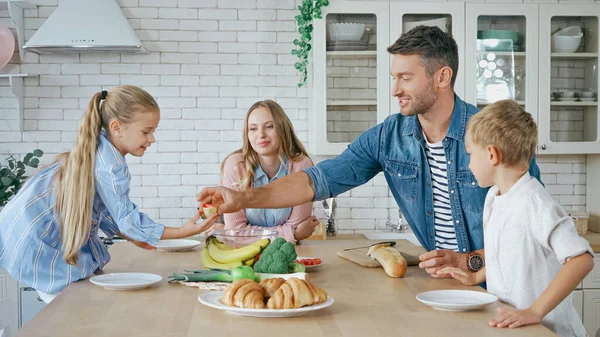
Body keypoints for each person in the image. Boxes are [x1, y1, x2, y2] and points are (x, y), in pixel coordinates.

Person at [197, 26, 541, 277]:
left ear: (442, 76)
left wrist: (470, 262)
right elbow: (314, 182)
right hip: (446, 287)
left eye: (405, 78)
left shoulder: (494, 133)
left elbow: (528, 228)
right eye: (394, 78)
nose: (395, 90)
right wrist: (242, 199)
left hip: (511, 288)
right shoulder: (388, 137)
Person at [0, 86, 218, 303]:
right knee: (72, 307)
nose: (152, 139)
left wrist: (133, 236)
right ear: (117, 127)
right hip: (40, 241)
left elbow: (103, 211)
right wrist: (183, 231)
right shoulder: (111, 166)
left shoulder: (98, 146)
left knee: (82, 301)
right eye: (146, 131)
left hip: (23, 232)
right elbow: (126, 221)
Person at [437, 100, 593, 336]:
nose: (468, 164)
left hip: (550, 330)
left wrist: (534, 311)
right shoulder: (493, 198)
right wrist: (476, 276)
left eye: (470, 153)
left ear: (491, 154)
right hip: (516, 326)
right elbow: (503, 255)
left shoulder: (535, 203)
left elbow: (582, 260)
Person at [218, 100, 318, 244]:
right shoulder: (235, 165)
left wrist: (246, 234)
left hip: (290, 253)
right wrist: (292, 234)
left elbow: (298, 224)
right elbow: (235, 231)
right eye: (253, 129)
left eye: (269, 126)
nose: (261, 135)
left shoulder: (302, 166)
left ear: (283, 129)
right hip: (243, 254)